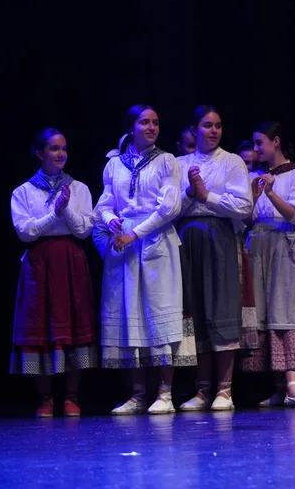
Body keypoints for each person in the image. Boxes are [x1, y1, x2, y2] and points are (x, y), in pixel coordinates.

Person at [96, 104, 191, 415]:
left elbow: (169, 207)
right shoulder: (114, 165)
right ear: (131, 128)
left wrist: (135, 233)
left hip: (154, 241)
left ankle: (164, 393)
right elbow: (104, 204)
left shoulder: (167, 161)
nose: (152, 127)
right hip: (123, 244)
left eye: (156, 122)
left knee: (159, 313)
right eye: (145, 122)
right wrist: (111, 219)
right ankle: (137, 395)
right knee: (130, 315)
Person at [9, 128, 98, 417]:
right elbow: (25, 232)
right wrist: (53, 214)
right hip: (40, 263)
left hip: (70, 261)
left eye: (64, 149)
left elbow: (84, 230)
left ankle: (71, 396)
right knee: (41, 326)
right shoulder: (23, 192)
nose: (61, 154)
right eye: (54, 149)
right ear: (39, 153)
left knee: (73, 323)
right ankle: (46, 398)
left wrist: (66, 209)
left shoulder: (79, 188)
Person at [175, 105, 253, 411]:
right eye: (207, 125)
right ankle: (202, 389)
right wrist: (190, 194)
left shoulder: (232, 161)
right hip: (187, 238)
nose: (214, 131)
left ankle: (224, 390)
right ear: (193, 129)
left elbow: (244, 207)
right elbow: (170, 208)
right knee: (194, 309)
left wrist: (207, 195)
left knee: (221, 307)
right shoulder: (179, 163)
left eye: (218, 125)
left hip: (218, 237)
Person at [239, 121, 295, 407]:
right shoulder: (254, 176)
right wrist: (253, 197)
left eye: (259, 142)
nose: (256, 148)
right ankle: (278, 387)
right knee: (265, 310)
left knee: (287, 308)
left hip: (284, 244)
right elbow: (245, 219)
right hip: (259, 245)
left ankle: (293, 386)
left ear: (276, 142)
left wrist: (271, 193)